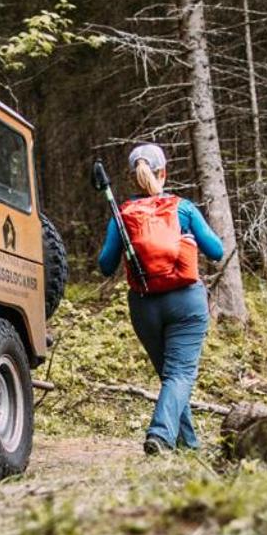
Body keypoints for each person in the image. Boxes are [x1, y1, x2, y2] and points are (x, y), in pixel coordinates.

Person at [96, 143, 226, 454]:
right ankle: (160, 434)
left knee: (172, 377)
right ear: (163, 173)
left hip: (145, 306)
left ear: (133, 177)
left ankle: (189, 446)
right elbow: (216, 251)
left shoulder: (123, 215)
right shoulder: (183, 208)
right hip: (186, 303)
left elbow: (105, 265)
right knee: (179, 375)